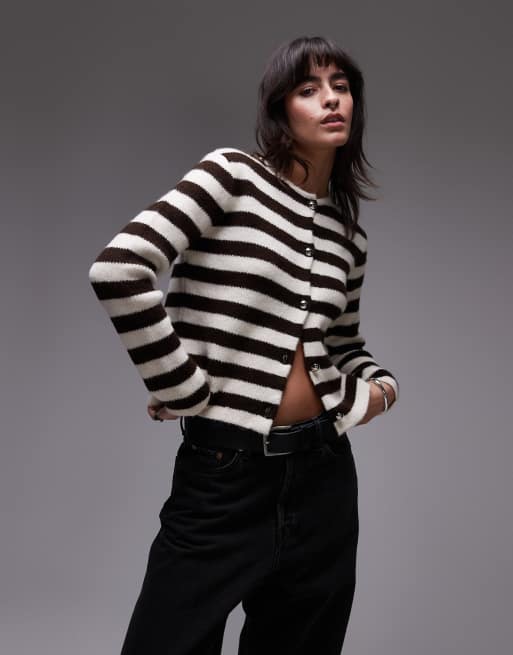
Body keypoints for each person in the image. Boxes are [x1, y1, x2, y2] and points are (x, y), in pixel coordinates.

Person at [88, 35, 399, 655]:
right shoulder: (230, 175)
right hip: (225, 473)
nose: (330, 100)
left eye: (341, 87)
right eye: (308, 89)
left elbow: (343, 344)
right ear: (281, 109)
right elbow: (119, 269)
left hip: (325, 477)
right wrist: (181, 387)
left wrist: (381, 391)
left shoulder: (348, 237)